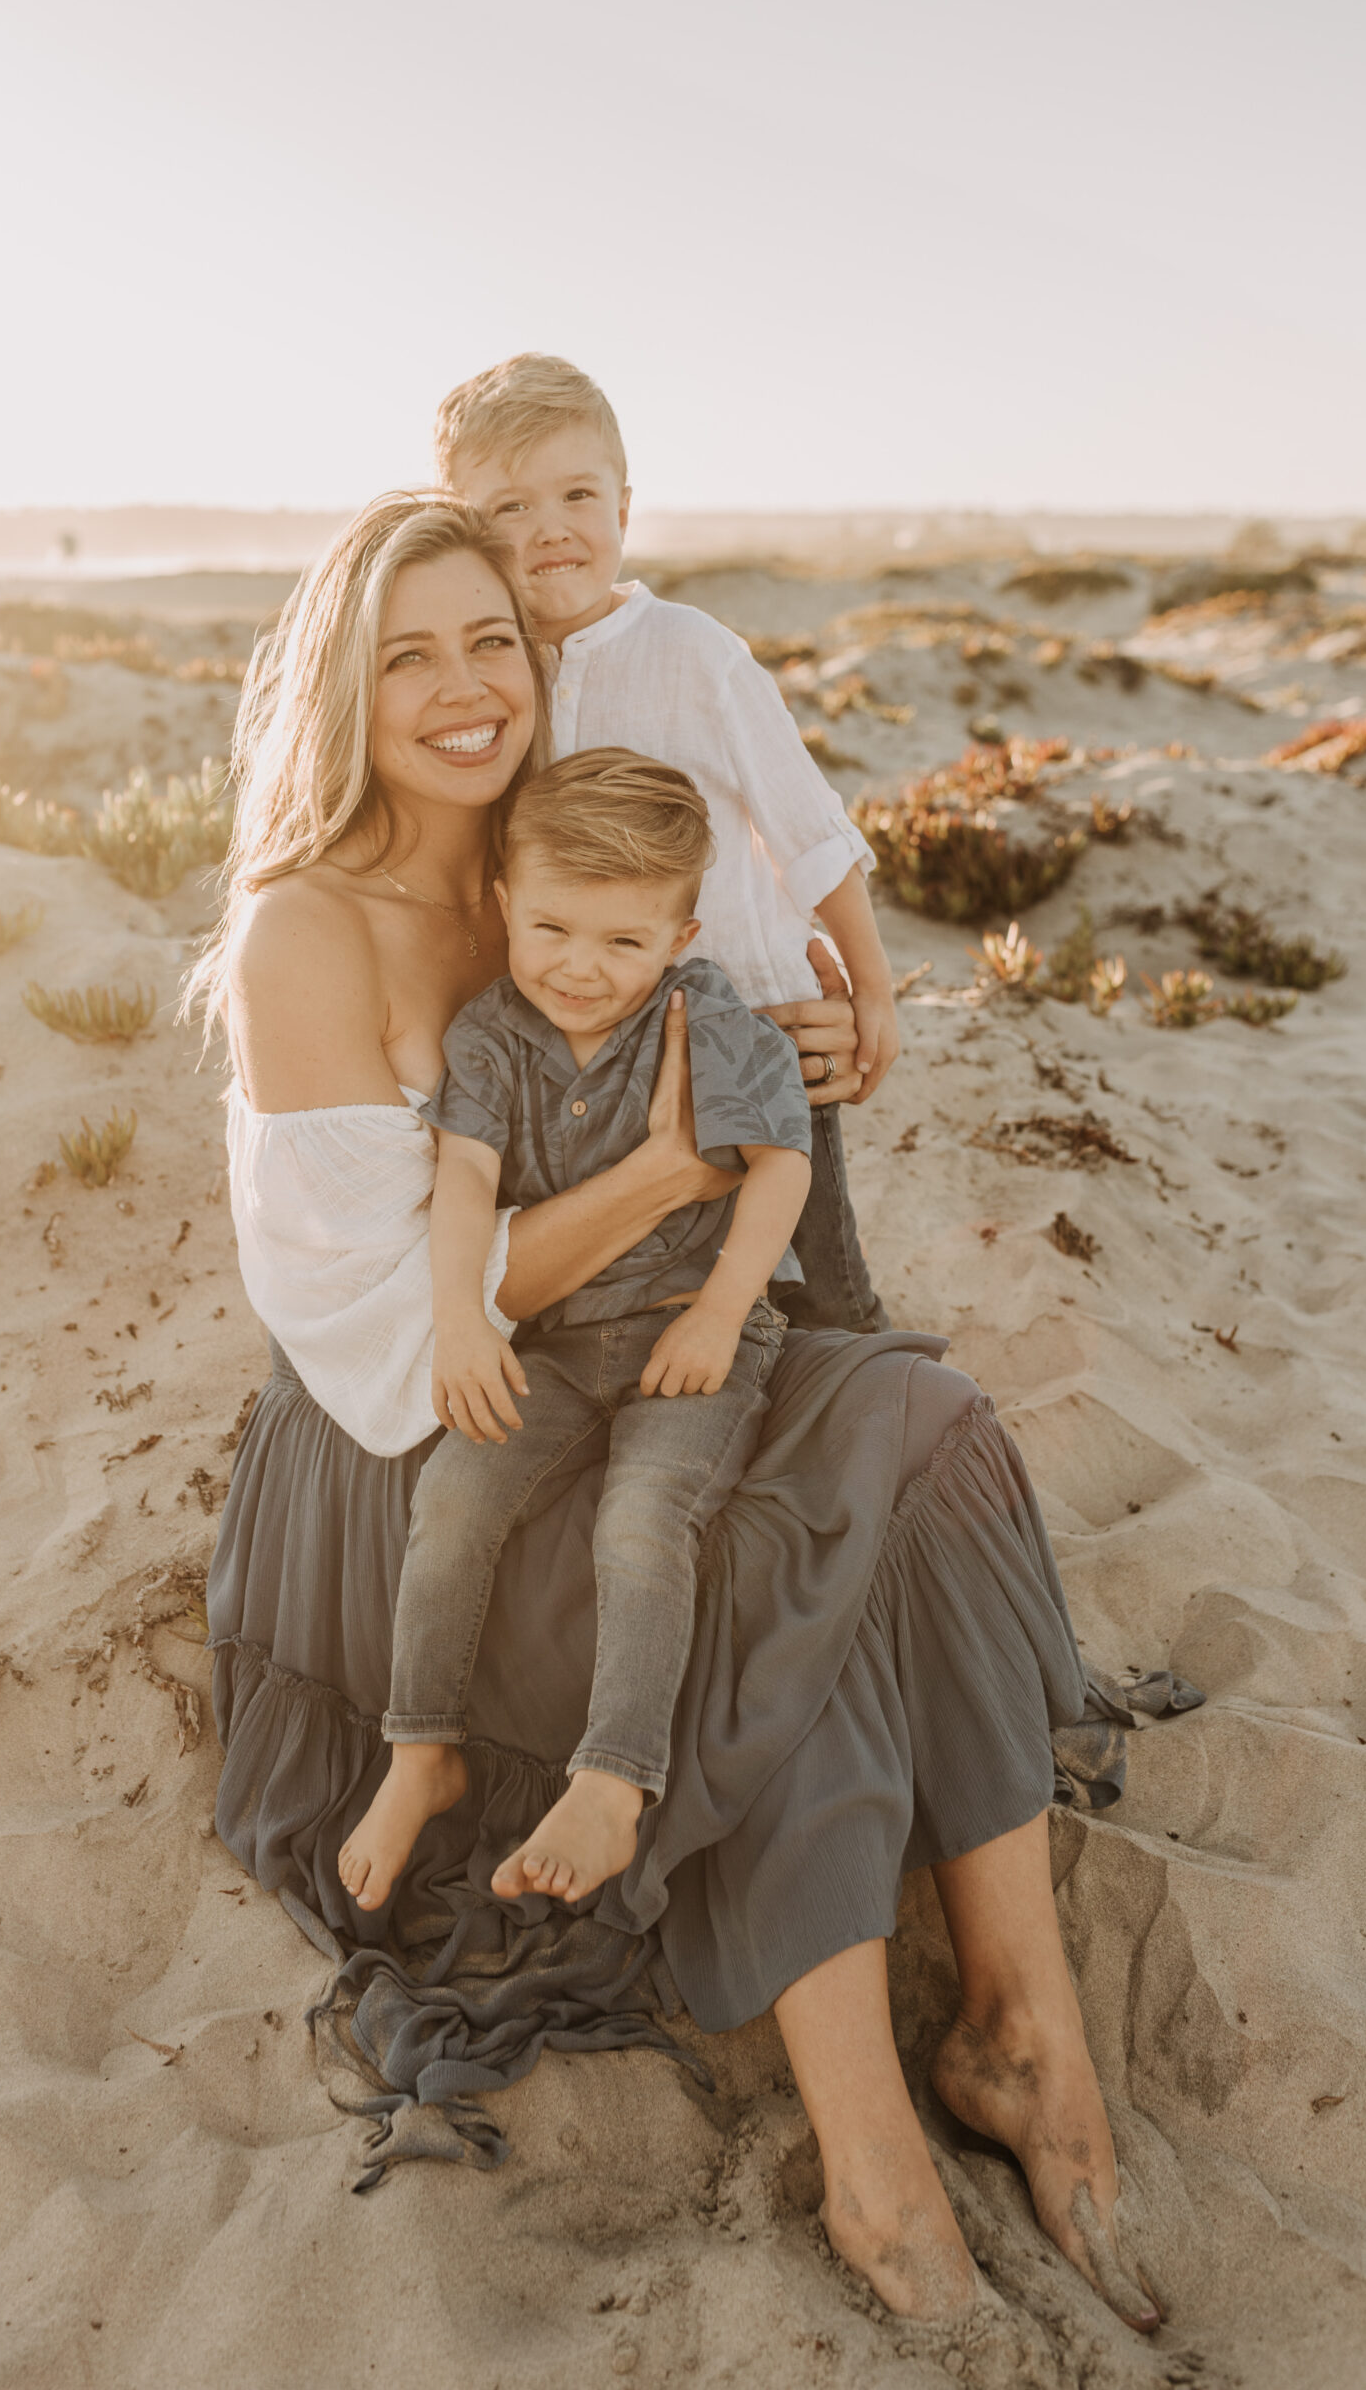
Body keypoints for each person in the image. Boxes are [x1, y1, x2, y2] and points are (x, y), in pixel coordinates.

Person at [183, 489, 1162, 2332]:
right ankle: (873, 2169)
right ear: (339, 690)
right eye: (410, 654)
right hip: (416, 1447)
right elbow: (392, 1329)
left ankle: (1026, 2036)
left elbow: (731, 1016)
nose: (468, 687)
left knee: (929, 1433)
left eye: (495, 641)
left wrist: (827, 1040)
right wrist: (654, 1175)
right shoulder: (301, 938)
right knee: (757, 1584)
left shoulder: (564, 853)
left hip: (625, 1352)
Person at [339, 753, 813, 1913]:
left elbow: (782, 1165)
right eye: (551, 928)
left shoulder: (708, 1021)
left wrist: (722, 1307)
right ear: (506, 901)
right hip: (550, 1343)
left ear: (679, 933)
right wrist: (460, 1320)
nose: (581, 970)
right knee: (454, 1495)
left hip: (687, 1333)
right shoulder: (493, 1036)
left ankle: (612, 1779)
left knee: (643, 1519)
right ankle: (422, 1751)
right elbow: (463, 1180)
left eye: (623, 944)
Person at [435, 350, 894, 1335]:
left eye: (577, 494)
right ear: (466, 532)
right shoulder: (500, 682)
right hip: (610, 1030)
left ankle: (866, 1383)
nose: (550, 526)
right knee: (681, 1272)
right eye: (509, 508)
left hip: (764, 1016)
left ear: (625, 509)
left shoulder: (693, 652)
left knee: (823, 1269)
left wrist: (872, 986)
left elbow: (807, 827)